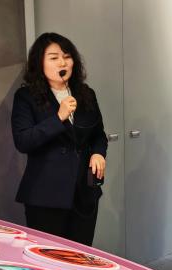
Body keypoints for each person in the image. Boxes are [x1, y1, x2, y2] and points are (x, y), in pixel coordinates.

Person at [11, 32, 107, 246]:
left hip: (84, 192)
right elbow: (23, 141)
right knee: (49, 256)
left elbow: (98, 134)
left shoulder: (86, 93)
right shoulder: (26, 97)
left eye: (67, 56)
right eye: (54, 58)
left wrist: (99, 153)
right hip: (46, 194)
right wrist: (59, 117)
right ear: (39, 63)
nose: (62, 63)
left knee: (80, 255)